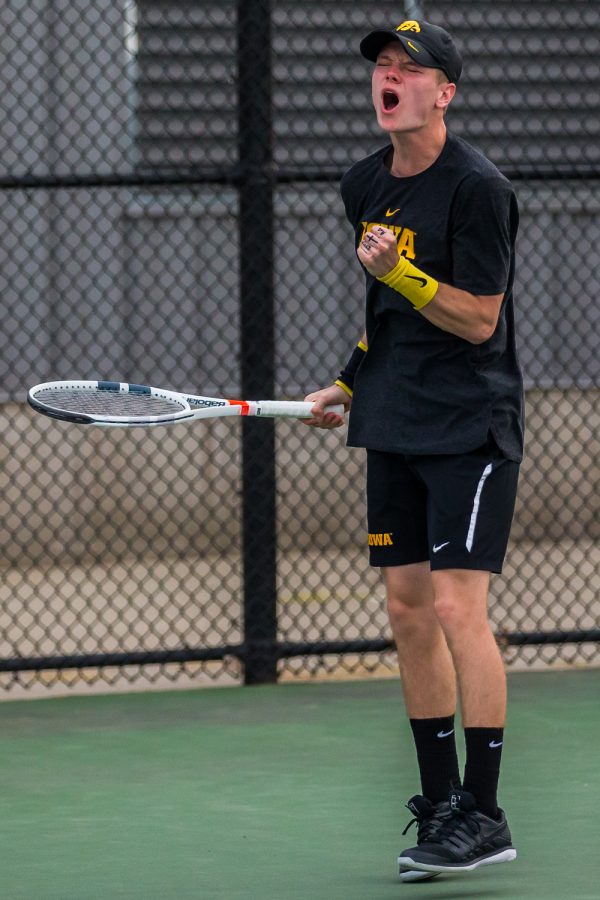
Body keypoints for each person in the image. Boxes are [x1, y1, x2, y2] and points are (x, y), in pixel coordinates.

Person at [304, 18, 524, 882]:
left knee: (456, 610)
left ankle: (487, 812)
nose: (389, 79)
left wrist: (402, 272)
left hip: (470, 423)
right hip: (392, 418)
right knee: (404, 610)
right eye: (382, 69)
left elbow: (478, 318)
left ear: (445, 94)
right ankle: (440, 805)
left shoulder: (478, 189)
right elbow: (385, 321)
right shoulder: (362, 182)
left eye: (410, 70)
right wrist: (350, 381)